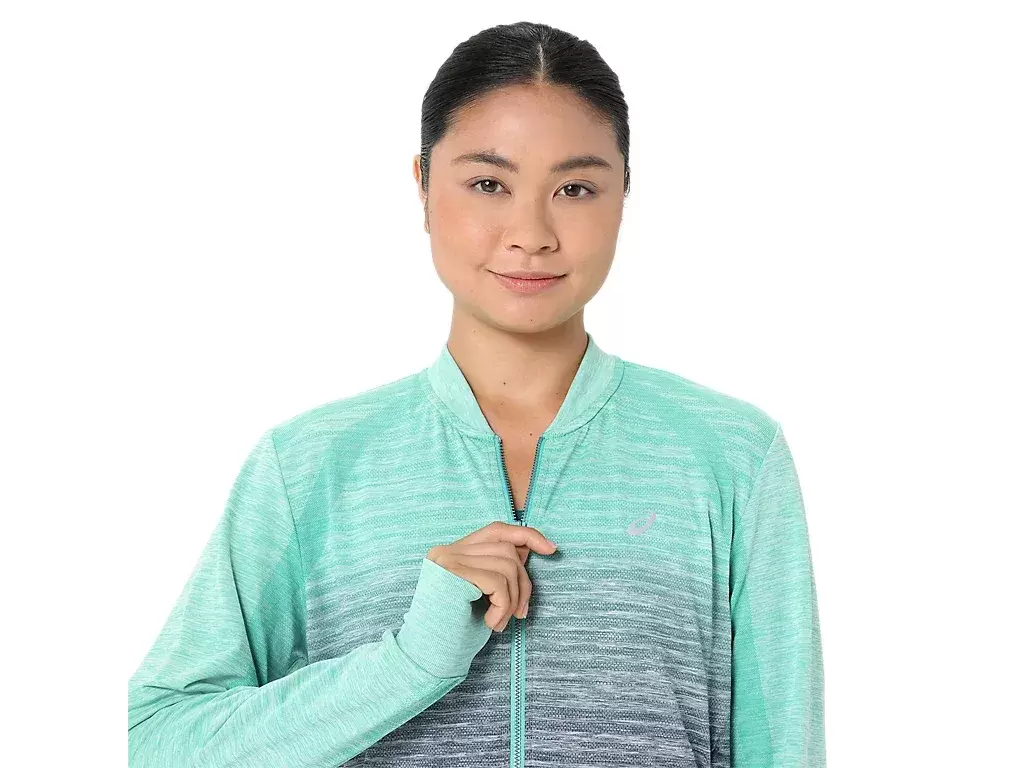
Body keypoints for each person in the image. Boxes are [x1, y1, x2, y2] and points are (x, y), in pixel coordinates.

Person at [128, 20, 825, 768]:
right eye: (489, 184)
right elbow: (155, 740)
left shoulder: (731, 456)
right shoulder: (307, 466)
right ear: (423, 186)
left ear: (624, 194)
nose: (531, 233)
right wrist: (408, 663)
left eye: (575, 188)